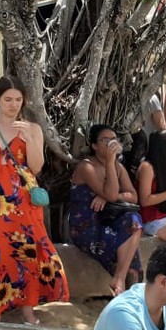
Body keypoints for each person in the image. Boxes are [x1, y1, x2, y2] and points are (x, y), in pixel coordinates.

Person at [0, 76, 69, 325]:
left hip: (25, 202)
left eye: (18, 100)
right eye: (7, 99)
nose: (13, 105)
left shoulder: (32, 128)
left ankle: (27, 310)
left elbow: (36, 167)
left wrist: (31, 140)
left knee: (29, 255)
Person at [69, 125, 144, 296]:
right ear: (94, 146)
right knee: (127, 248)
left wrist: (107, 196)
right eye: (106, 140)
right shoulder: (87, 167)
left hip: (110, 220)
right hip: (87, 225)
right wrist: (110, 164)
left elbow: (133, 196)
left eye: (114, 140)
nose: (111, 143)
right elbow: (111, 193)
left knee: (135, 221)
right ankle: (123, 287)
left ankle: (119, 278)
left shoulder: (118, 167)